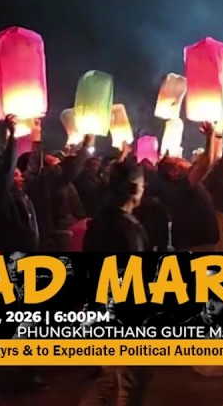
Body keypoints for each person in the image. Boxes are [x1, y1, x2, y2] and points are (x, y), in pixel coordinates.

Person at [80, 159, 151, 406]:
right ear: (133, 189)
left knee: (108, 381)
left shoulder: (98, 222)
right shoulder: (128, 228)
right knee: (129, 383)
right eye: (142, 185)